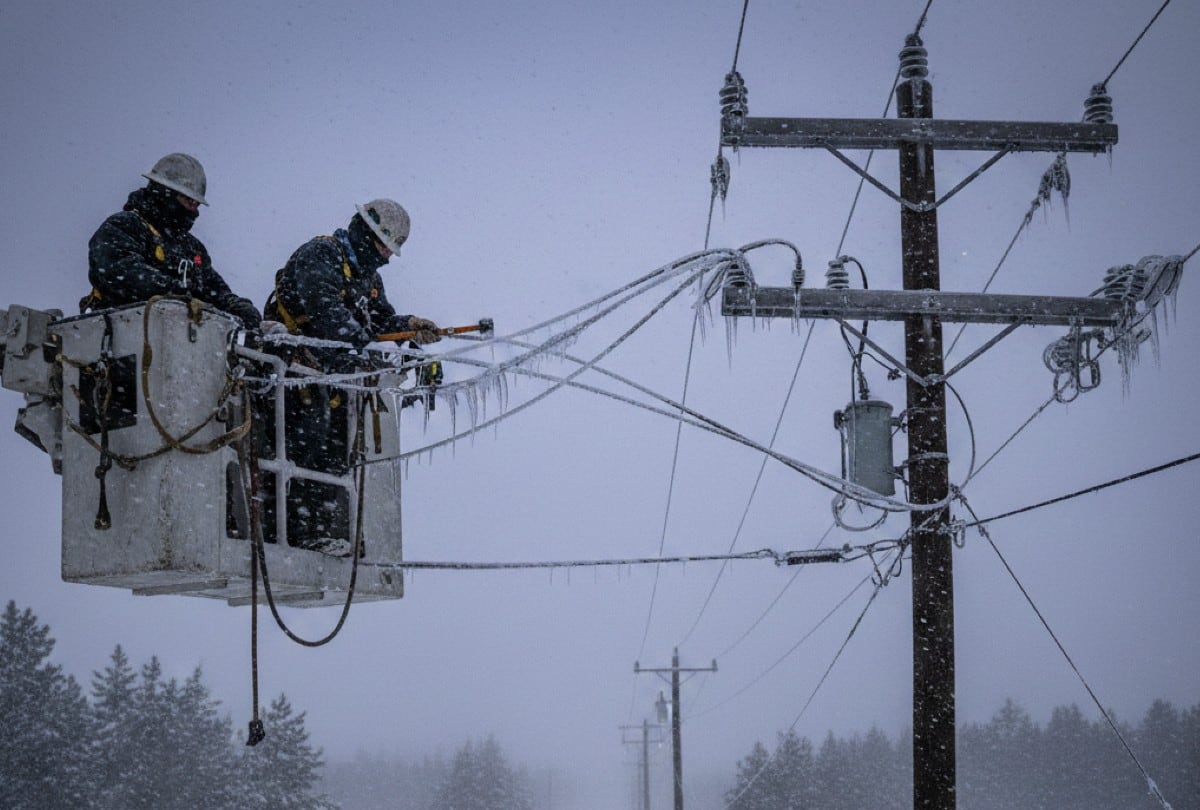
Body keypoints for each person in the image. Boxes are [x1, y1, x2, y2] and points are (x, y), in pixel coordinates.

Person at [260, 198, 440, 553]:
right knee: (307, 444)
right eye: (383, 247)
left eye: (390, 251)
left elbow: (378, 323)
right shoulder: (321, 255)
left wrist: (408, 328)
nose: (386, 257)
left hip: (332, 379)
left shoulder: (368, 279)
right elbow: (327, 313)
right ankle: (298, 530)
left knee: (336, 452)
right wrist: (362, 348)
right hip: (294, 374)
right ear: (364, 232)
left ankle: (324, 529)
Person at [81, 152, 261, 329]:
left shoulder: (192, 248)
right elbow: (119, 273)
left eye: (196, 204)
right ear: (164, 193)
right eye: (188, 200)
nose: (193, 209)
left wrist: (234, 305)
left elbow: (211, 287)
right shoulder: (124, 226)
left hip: (177, 338)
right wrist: (176, 291)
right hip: (124, 332)